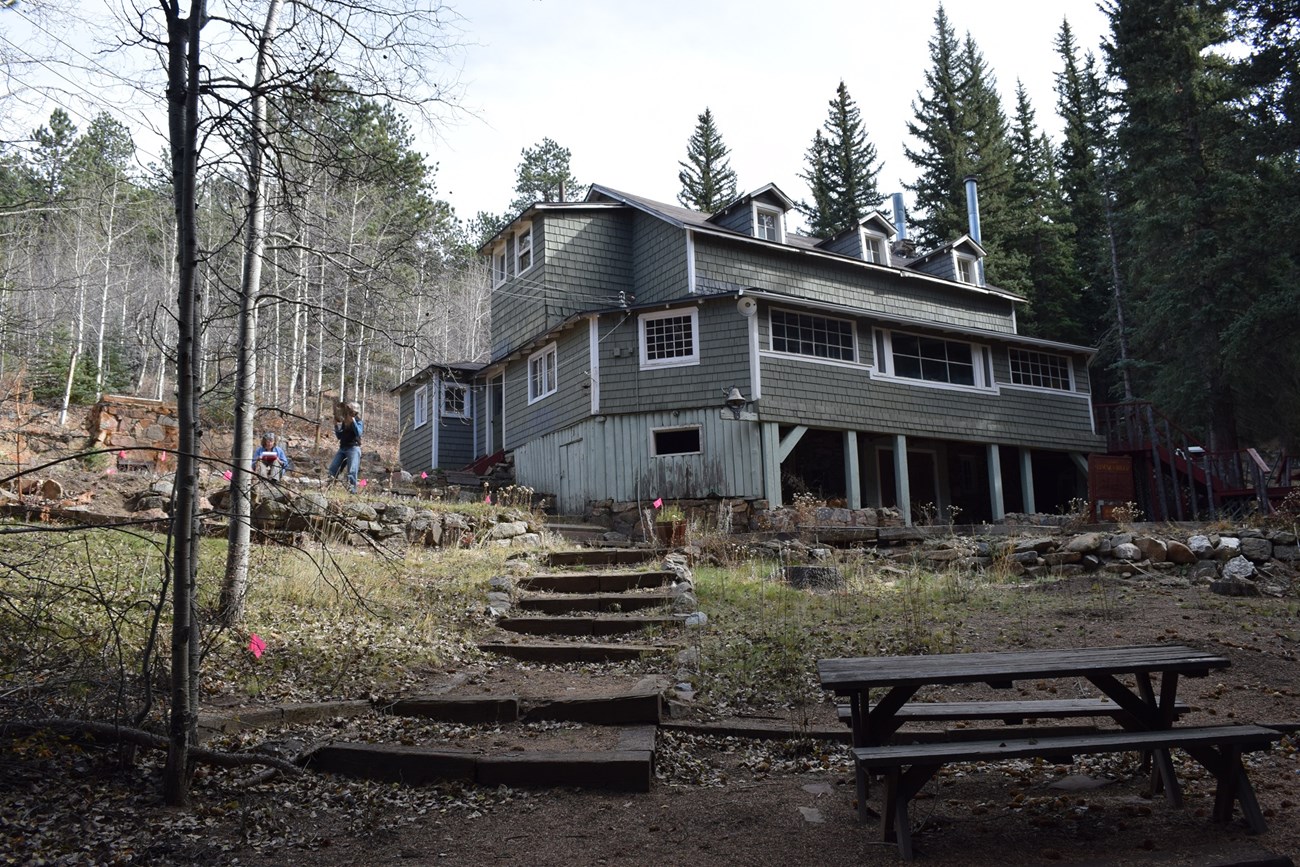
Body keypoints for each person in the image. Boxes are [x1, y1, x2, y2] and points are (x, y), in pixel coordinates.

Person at [328, 400, 363, 493]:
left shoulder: (359, 421)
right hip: (343, 448)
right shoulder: (344, 423)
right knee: (333, 470)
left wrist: (353, 422)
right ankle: (328, 489)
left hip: (353, 449)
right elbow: (339, 436)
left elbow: (359, 433)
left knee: (352, 472)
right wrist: (336, 426)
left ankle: (352, 493)